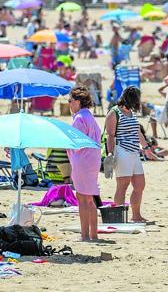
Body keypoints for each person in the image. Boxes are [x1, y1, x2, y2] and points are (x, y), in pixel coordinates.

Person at [105, 86, 147, 222]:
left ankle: (136, 216)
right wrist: (110, 153)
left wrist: (146, 148)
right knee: (122, 185)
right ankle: (119, 217)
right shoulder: (114, 112)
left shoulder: (132, 112)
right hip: (122, 150)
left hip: (135, 151)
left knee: (140, 185)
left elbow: (138, 132)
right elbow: (110, 135)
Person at [67, 86, 102, 241]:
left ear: (78, 101)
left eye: (70, 101)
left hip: (83, 160)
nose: (68, 104)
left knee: (82, 198)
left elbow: (77, 142)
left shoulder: (79, 118)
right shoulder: (90, 117)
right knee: (89, 199)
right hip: (92, 160)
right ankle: (93, 234)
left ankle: (85, 235)